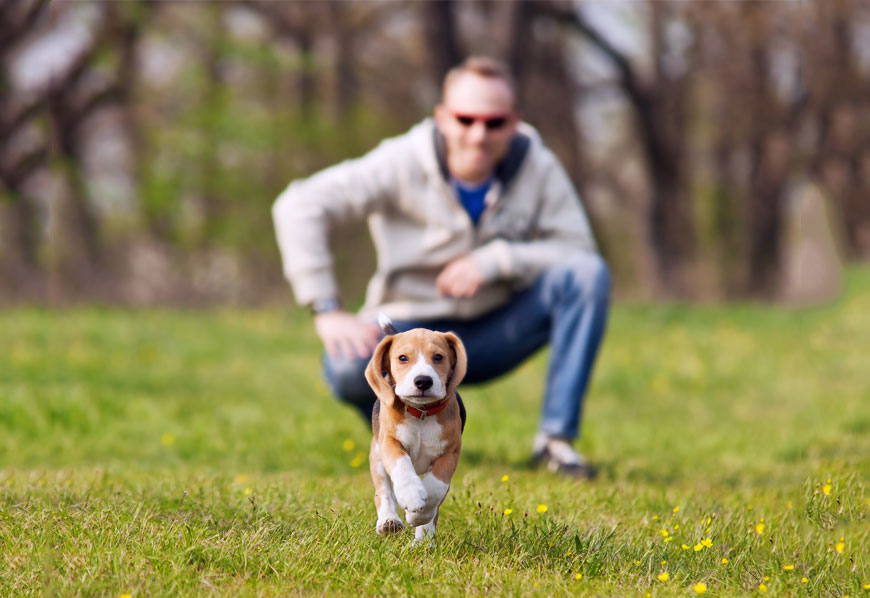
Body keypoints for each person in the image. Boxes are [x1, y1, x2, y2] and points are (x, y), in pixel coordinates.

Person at [272, 56, 609, 478]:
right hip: (408, 328)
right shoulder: (401, 160)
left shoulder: (537, 165)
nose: (478, 134)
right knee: (343, 367)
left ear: (514, 121)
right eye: (466, 119)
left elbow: (580, 251)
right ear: (443, 118)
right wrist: (326, 307)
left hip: (496, 330)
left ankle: (555, 443)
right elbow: (298, 204)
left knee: (586, 277)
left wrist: (496, 260)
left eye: (494, 122)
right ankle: (396, 433)